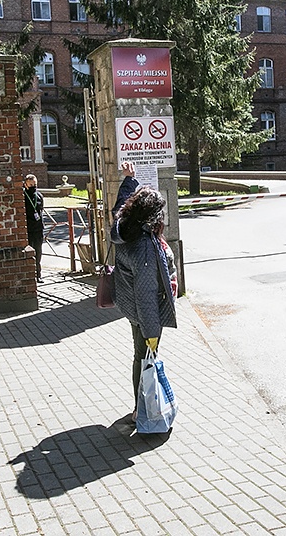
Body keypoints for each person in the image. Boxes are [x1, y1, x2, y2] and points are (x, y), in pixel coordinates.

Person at [110, 161, 177, 420]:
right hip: (143, 313)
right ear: (153, 218)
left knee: (140, 356)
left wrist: (130, 179)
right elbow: (148, 297)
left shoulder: (125, 228)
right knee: (144, 355)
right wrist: (152, 333)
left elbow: (121, 207)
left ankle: (142, 405)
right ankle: (143, 409)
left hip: (129, 304)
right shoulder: (146, 249)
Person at [23, 174, 44, 282]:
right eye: (31, 185)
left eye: (34, 184)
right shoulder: (23, 196)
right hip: (28, 229)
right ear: (26, 185)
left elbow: (41, 210)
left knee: (38, 251)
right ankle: (30, 274)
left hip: (38, 228)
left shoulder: (39, 195)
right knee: (29, 251)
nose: (33, 187)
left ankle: (38, 274)